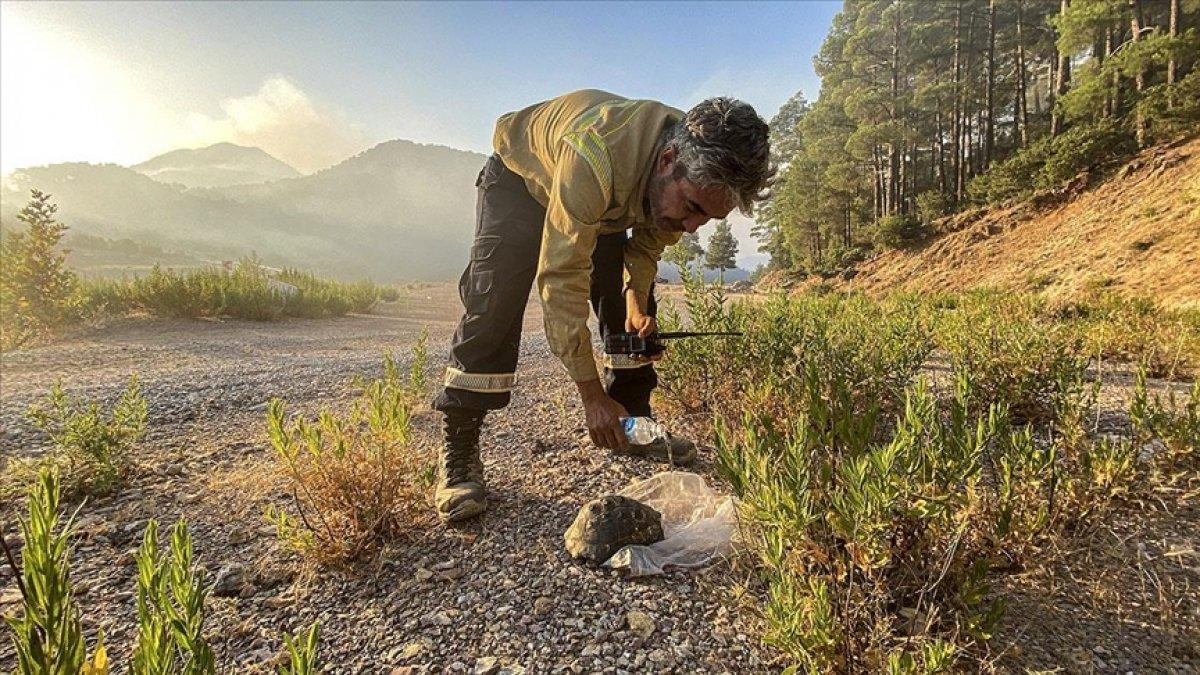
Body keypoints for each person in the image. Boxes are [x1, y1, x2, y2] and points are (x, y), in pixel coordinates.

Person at [432, 89, 774, 523]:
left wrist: (634, 303)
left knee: (630, 303)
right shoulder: (594, 155)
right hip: (521, 179)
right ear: (667, 160)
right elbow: (561, 277)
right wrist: (591, 396)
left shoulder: (685, 167)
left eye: (707, 219)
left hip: (613, 197)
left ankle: (631, 422)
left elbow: (647, 250)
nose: (691, 228)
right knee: (493, 300)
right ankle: (459, 452)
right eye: (692, 209)